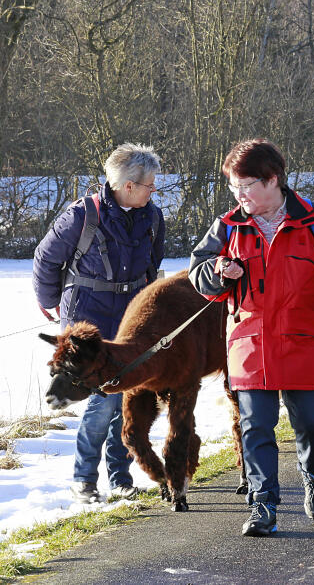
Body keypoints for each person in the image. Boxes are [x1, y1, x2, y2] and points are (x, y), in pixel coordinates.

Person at [189, 139, 314, 537]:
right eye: (233, 187)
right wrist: (219, 272)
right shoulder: (227, 227)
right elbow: (197, 273)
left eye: (247, 185)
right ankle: (263, 504)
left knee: (311, 422)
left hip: (303, 339)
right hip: (249, 343)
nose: (239, 195)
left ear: (273, 180)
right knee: (256, 426)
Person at [33, 143, 165, 504]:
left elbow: (153, 265)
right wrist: (48, 302)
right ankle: (84, 479)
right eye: (150, 185)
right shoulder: (81, 216)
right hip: (86, 321)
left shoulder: (152, 216)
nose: (154, 191)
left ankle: (120, 478)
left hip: (130, 322)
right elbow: (46, 258)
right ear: (128, 186)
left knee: (129, 397)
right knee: (102, 402)